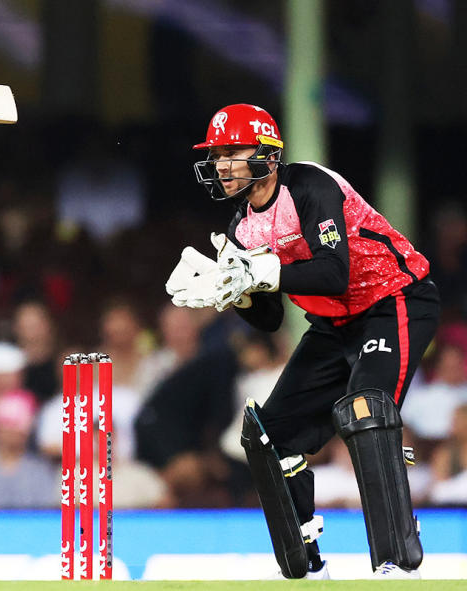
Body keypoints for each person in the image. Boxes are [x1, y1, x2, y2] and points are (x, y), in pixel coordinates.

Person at [166, 104, 440, 579]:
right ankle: (306, 565)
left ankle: (398, 560)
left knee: (366, 409)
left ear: (267, 154)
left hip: (394, 299)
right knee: (269, 434)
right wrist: (236, 292)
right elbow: (271, 319)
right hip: (333, 326)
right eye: (218, 155)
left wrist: (262, 271)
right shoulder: (241, 228)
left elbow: (334, 273)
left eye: (233, 152)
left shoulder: (311, 186)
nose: (222, 164)